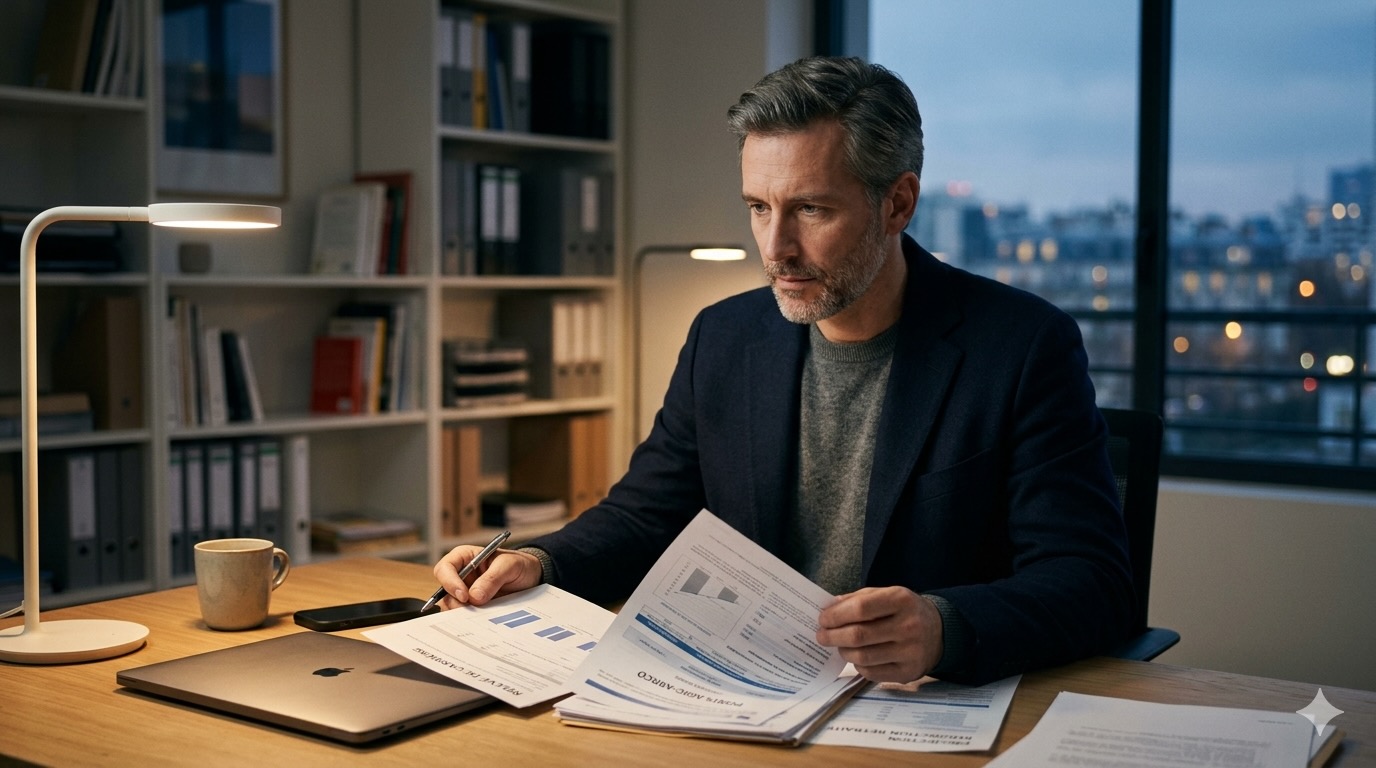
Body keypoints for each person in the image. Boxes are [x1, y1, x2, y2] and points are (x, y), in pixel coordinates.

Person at [433, 55, 1135, 686]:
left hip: (922, 707)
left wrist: (944, 626)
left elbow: (1093, 582)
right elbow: (647, 516)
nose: (777, 248)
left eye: (810, 209)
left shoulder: (1022, 345)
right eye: (759, 209)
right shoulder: (725, 336)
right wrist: (540, 563)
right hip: (746, 690)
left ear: (898, 202)